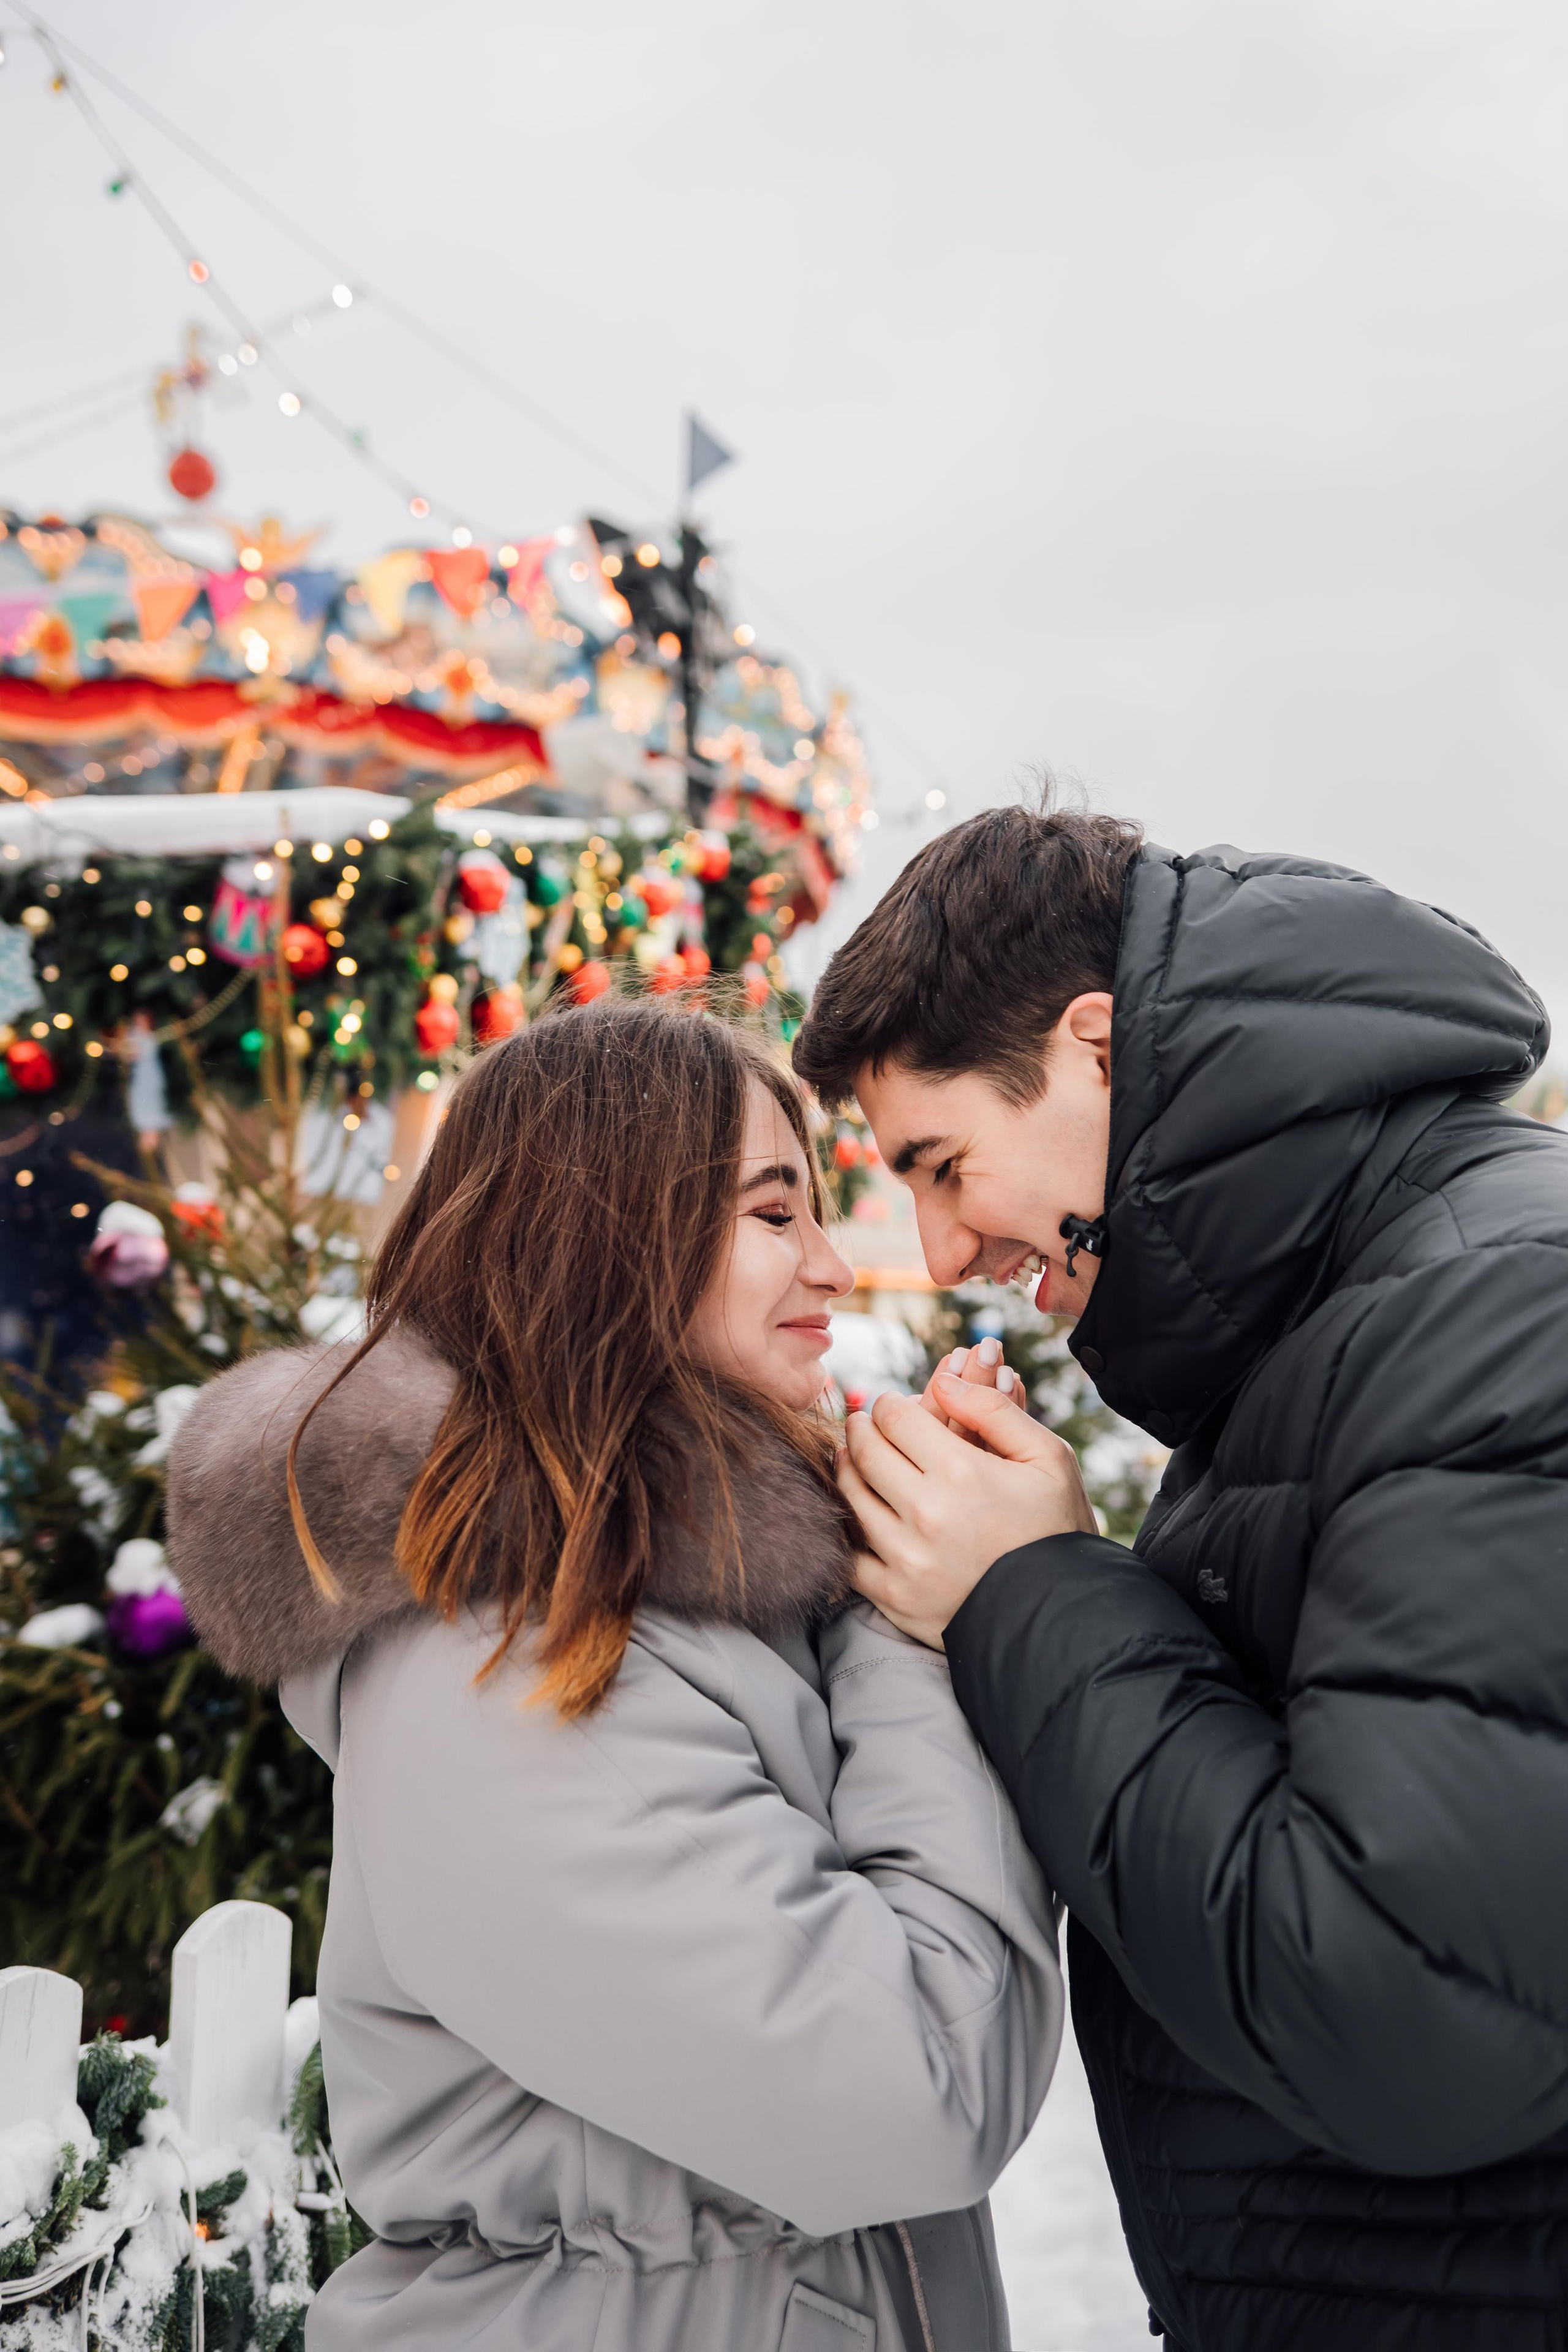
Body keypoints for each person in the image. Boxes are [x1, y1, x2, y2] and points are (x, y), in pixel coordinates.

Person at [165, 998, 1061, 2352]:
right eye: (773, 1215)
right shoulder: (507, 1671)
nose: (832, 1267)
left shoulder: (686, 1610)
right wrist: (913, 1617)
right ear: (603, 1237)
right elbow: (912, 2092)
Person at [793, 801, 1568, 2351]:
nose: (940, 1250)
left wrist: (1031, 1591)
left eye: (945, 1165)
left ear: (1091, 1046)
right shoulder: (1341, 1310)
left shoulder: (1487, 1307)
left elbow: (1404, 1999)